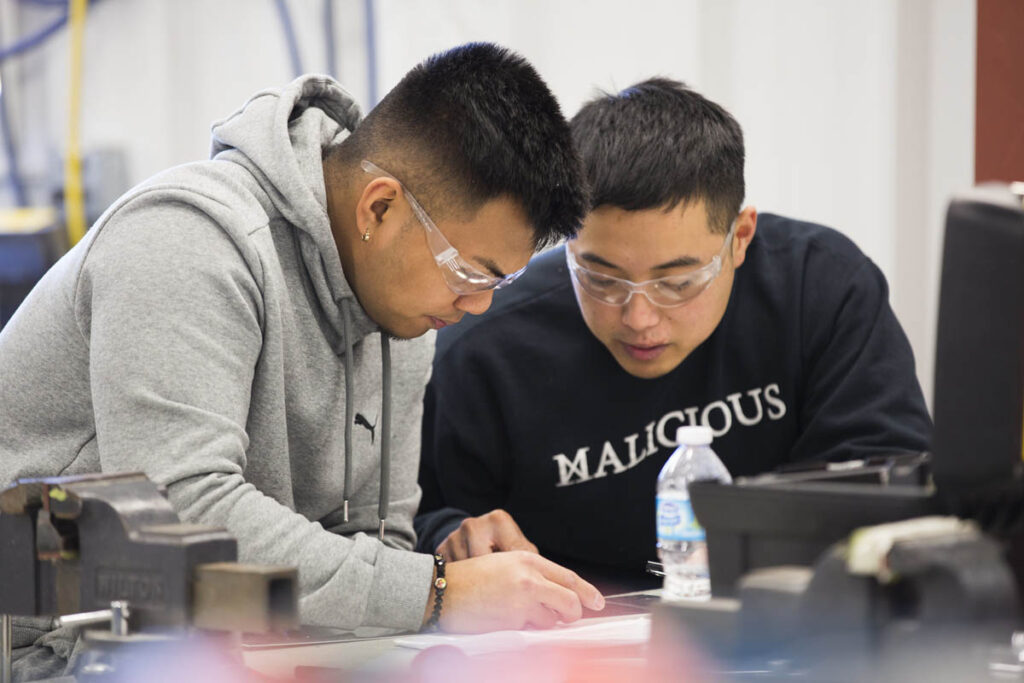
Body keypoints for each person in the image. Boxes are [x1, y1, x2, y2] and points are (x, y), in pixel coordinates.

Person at [0, 43, 605, 680]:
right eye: (468, 271)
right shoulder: (186, 239)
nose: (478, 306)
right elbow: (176, 517)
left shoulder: (405, 309)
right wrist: (437, 592)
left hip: (222, 640)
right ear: (380, 207)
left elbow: (379, 542)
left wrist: (449, 570)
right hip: (41, 640)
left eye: (499, 284)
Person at [416, 78, 933, 592]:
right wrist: (451, 541)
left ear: (740, 239)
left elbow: (895, 486)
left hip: (790, 613)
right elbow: (416, 521)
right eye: (600, 278)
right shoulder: (486, 349)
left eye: (678, 282)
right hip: (577, 637)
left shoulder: (820, 289)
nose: (639, 318)